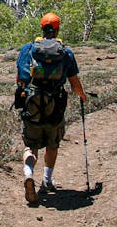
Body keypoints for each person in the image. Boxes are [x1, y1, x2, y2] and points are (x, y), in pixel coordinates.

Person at [15, 11, 87, 204]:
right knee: (52, 144)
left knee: (31, 146)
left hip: (33, 103)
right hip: (55, 105)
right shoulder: (65, 52)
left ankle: (28, 173)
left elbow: (21, 80)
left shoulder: (28, 49)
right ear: (57, 30)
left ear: (41, 28)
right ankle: (47, 181)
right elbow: (74, 83)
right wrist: (83, 96)